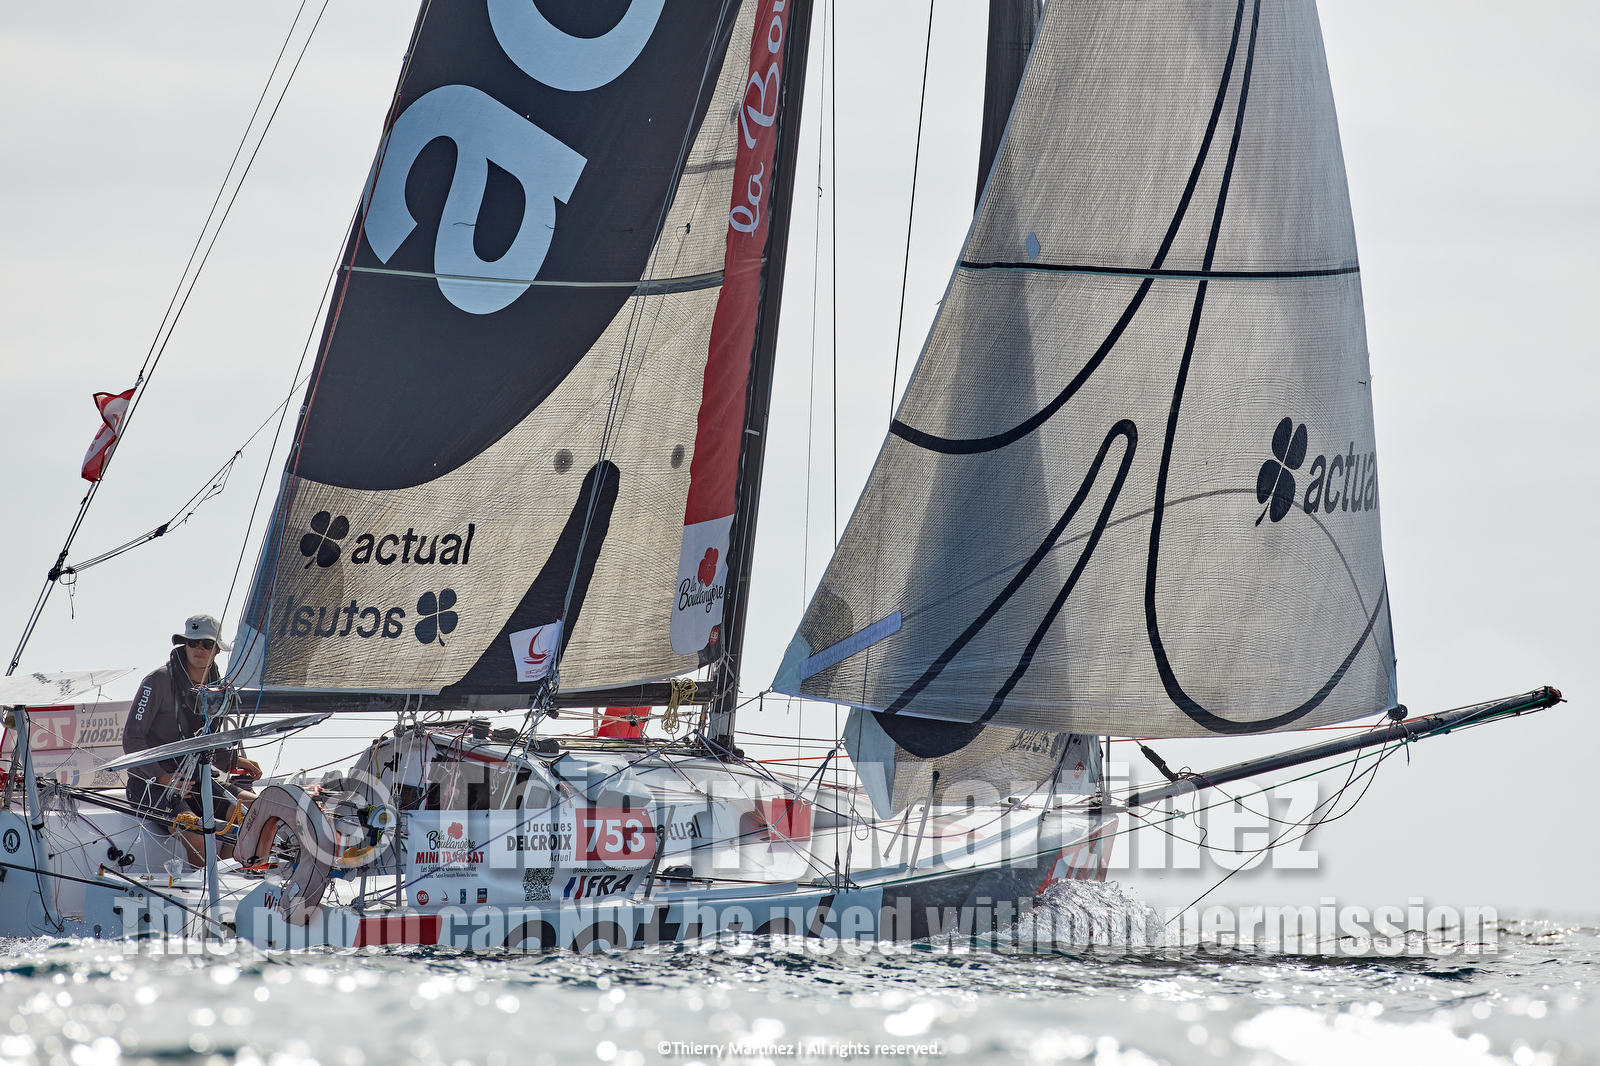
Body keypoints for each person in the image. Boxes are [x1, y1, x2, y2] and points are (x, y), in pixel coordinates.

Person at [123, 614, 262, 864]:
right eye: (192, 642)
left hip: (199, 783)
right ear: (184, 645)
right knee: (197, 835)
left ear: (217, 650)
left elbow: (209, 746)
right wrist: (165, 778)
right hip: (151, 786)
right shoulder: (157, 681)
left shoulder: (219, 688)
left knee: (257, 810)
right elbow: (132, 741)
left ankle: (233, 880)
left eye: (207, 644)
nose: (199, 649)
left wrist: (234, 760)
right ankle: (210, 895)